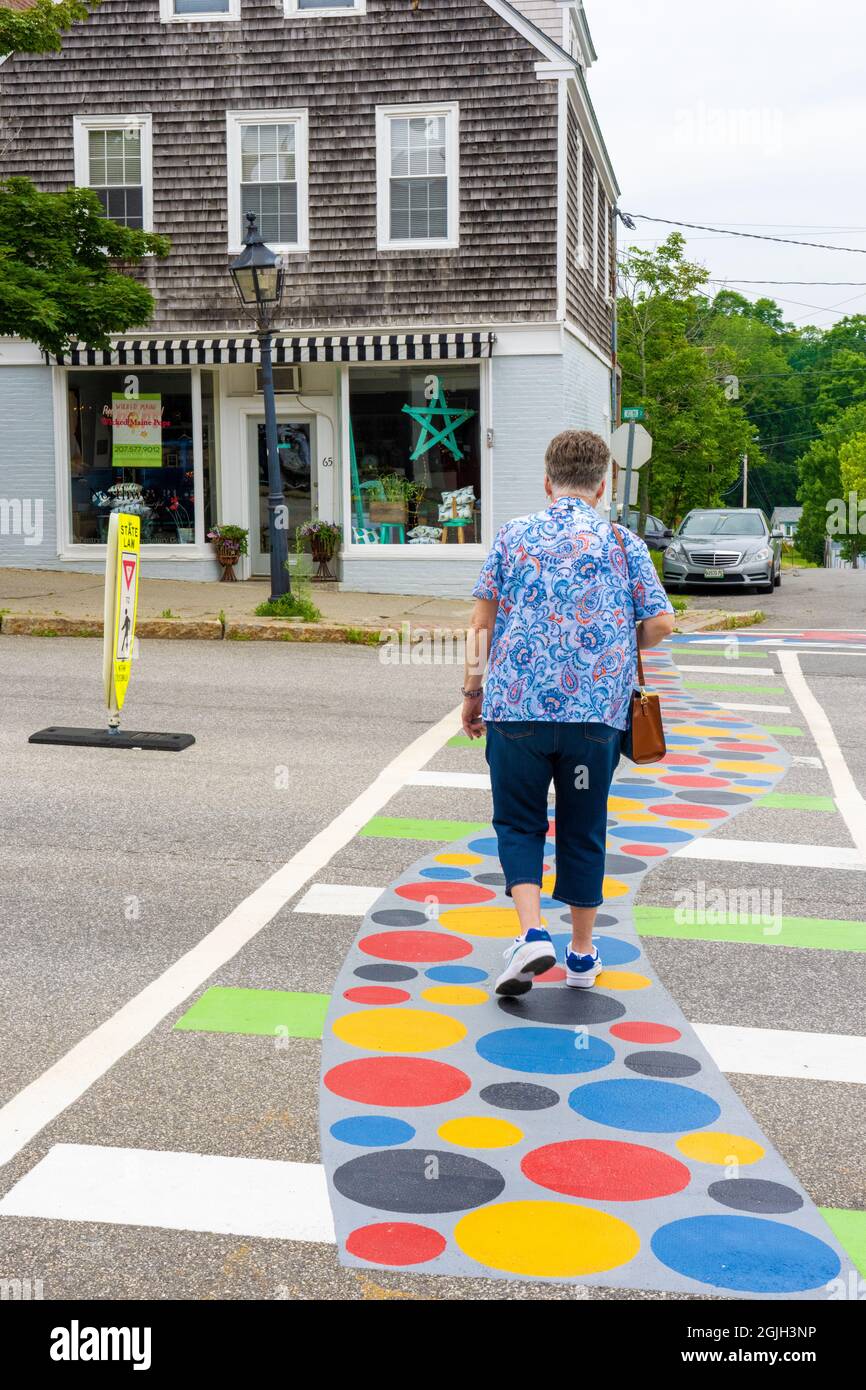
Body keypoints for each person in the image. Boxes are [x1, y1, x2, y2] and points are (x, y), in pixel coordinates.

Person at [462, 429, 675, 997]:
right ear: (603, 486)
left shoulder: (512, 536)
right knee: (584, 828)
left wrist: (471, 693)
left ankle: (531, 933)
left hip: (517, 711)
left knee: (518, 822)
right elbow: (660, 625)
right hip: (595, 715)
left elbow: (482, 625)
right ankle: (582, 955)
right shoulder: (622, 543)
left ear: (547, 481)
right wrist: (609, 641)